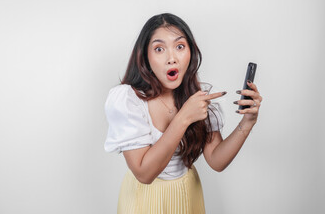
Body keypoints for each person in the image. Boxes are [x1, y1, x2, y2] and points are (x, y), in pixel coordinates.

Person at [104, 13, 262, 214]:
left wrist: (247, 123)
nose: (172, 59)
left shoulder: (197, 97)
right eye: (159, 49)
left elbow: (216, 160)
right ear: (145, 57)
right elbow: (144, 173)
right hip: (144, 200)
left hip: (187, 195)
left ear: (190, 52)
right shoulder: (129, 100)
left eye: (179, 47)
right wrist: (184, 117)